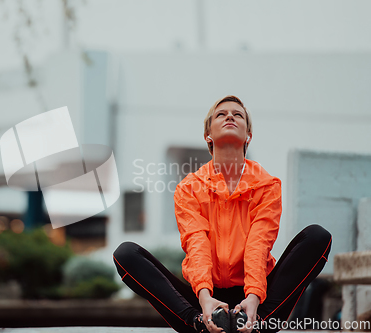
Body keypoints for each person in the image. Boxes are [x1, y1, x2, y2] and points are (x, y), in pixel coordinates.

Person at [113, 95, 332, 333]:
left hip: (257, 298)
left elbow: (258, 244)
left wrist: (254, 296)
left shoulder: (267, 186)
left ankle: (256, 323)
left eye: (238, 115)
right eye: (221, 114)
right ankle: (198, 323)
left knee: (317, 237)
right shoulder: (189, 188)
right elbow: (196, 244)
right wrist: (205, 298)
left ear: (248, 135)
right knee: (125, 254)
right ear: (208, 135)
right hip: (203, 299)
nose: (230, 116)